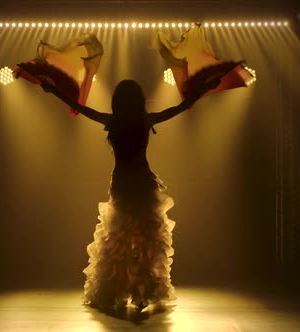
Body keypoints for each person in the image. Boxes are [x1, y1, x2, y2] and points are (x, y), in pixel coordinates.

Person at [36, 61, 241, 312]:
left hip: (123, 181)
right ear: (139, 99)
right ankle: (143, 293)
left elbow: (79, 106)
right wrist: (204, 89)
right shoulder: (146, 120)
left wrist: (53, 90)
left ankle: (118, 292)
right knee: (146, 238)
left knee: (119, 238)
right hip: (141, 180)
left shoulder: (113, 121)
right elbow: (181, 107)